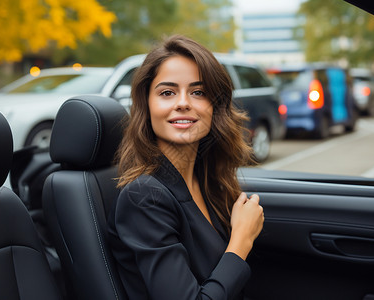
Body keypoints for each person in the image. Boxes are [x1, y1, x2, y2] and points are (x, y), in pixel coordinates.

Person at [107, 34, 264, 300]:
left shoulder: (208, 180)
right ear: (147, 105)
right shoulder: (144, 197)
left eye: (198, 92)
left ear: (215, 107)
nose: (183, 103)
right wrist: (241, 242)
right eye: (167, 92)